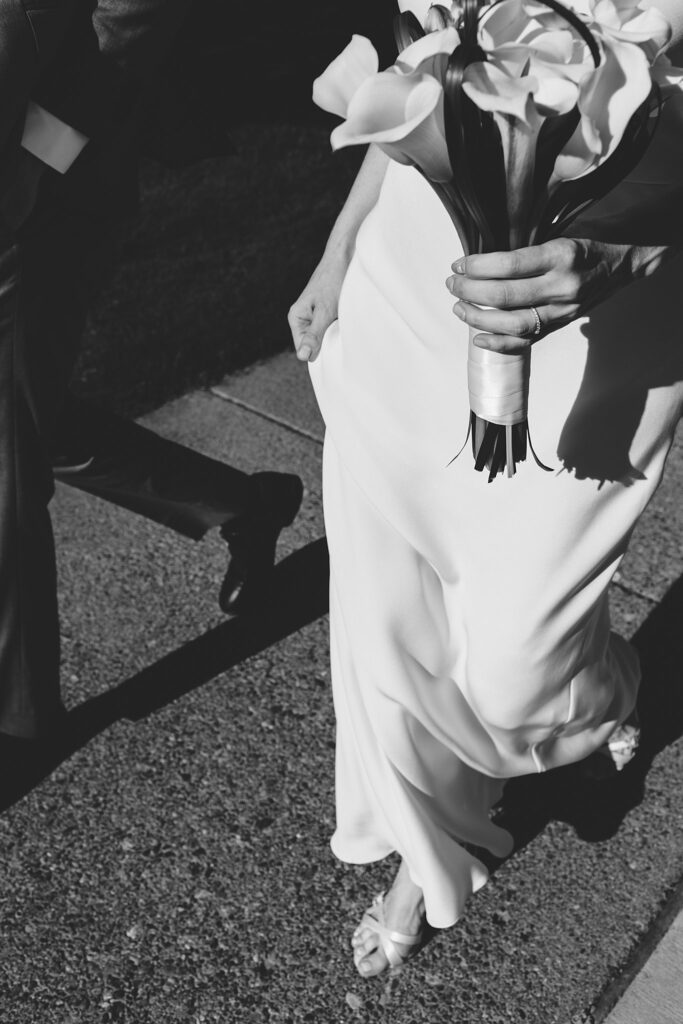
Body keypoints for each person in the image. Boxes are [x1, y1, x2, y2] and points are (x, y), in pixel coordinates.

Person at [289, 0, 683, 979]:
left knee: (517, 657)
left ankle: (592, 702)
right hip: (417, 272)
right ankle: (426, 861)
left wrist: (639, 248)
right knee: (386, 616)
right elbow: (421, 60)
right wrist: (338, 256)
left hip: (617, 303)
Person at [0, 0, 303, 746]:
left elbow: (132, 13)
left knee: (5, 453)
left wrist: (38, 155)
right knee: (26, 425)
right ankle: (243, 503)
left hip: (38, 186)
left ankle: (20, 724)